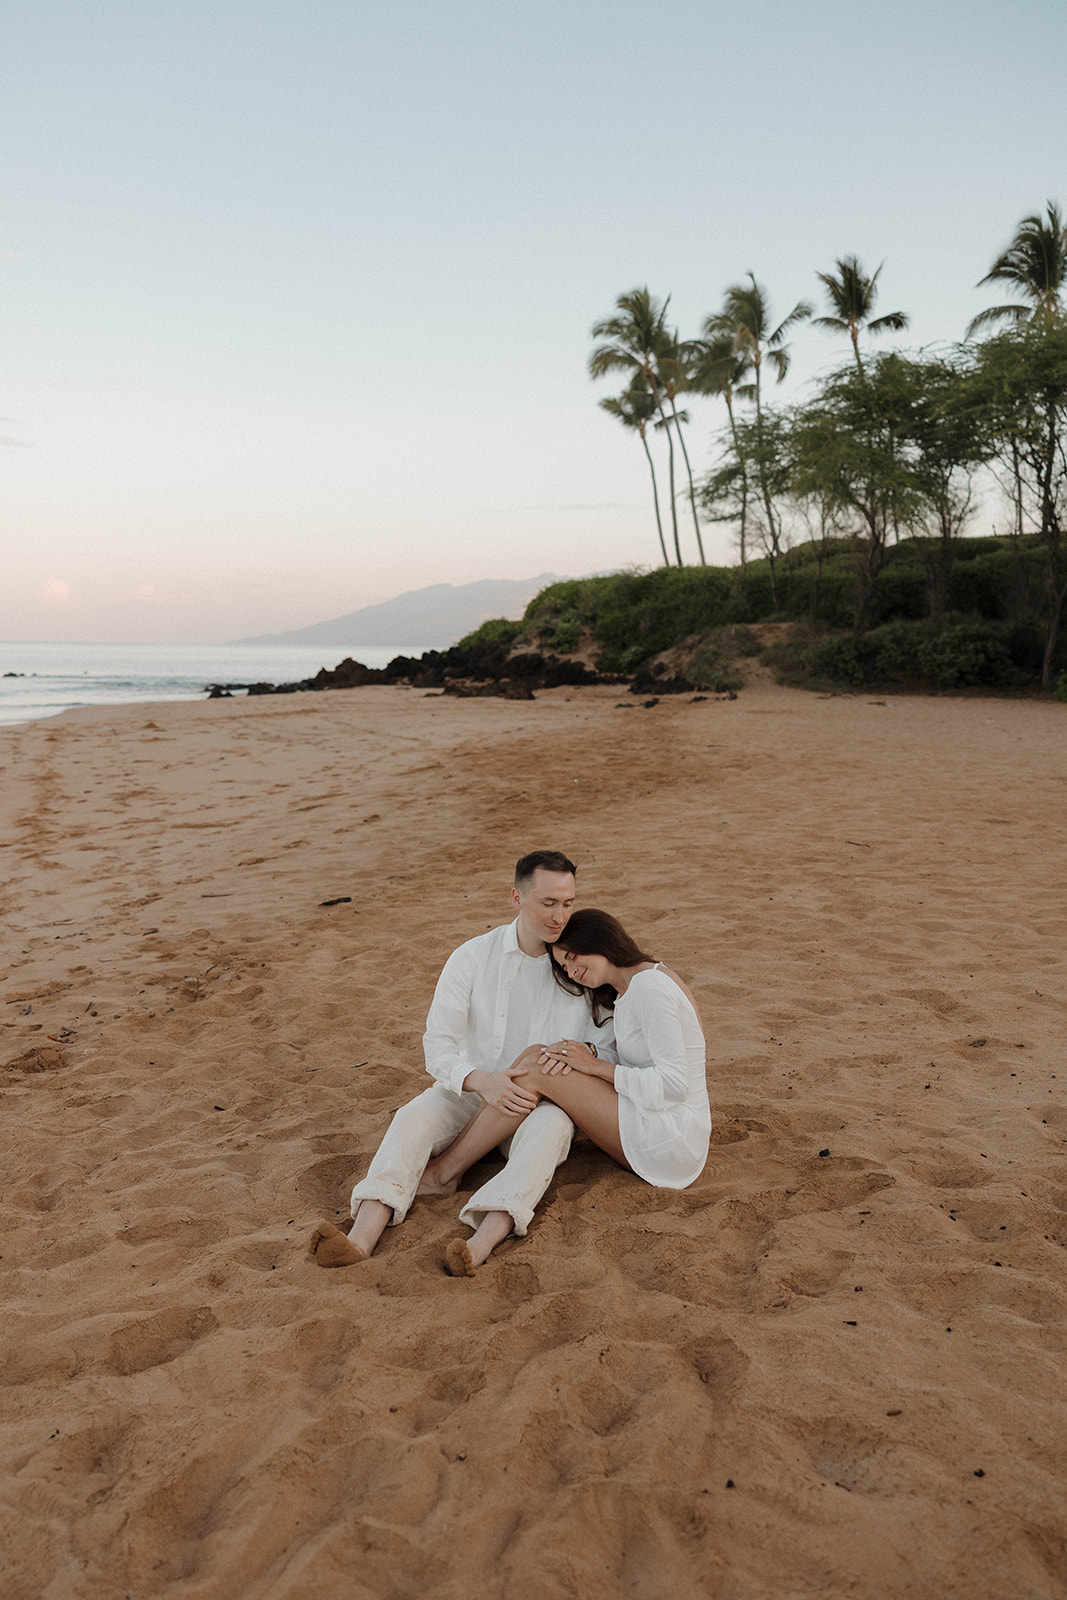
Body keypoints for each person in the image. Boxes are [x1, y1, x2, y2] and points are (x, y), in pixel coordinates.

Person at [308, 850, 617, 1272]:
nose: (559, 916)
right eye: (548, 903)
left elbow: (610, 1044)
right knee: (412, 1118)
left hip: (539, 1106)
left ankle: (479, 1245)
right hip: (472, 1093)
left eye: (567, 903)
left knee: (552, 1131)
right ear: (517, 898)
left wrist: (589, 1054)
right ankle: (361, 1238)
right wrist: (482, 1082)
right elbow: (438, 1045)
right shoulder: (472, 957)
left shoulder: (578, 966)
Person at [433, 908, 710, 1275]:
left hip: (670, 1138)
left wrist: (596, 1068)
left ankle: (444, 1172)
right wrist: (589, 1055)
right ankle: (456, 1168)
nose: (571, 972)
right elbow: (642, 1060)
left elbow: (675, 1085)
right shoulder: (632, 988)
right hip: (651, 1116)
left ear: (600, 942)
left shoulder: (649, 987)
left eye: (574, 958)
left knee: (535, 1067)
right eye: (564, 966)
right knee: (538, 1055)